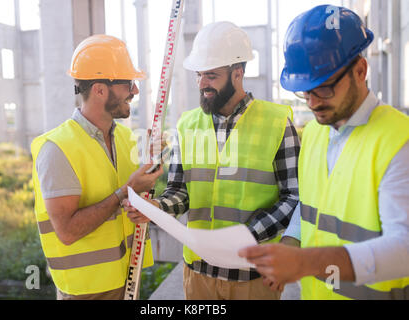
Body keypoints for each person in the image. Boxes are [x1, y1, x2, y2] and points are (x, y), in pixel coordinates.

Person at [239, 5, 409, 300]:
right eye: (305, 91)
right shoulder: (317, 132)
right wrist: (292, 243)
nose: (314, 102)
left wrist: (306, 262)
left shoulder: (398, 140)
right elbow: (310, 206)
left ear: (360, 71)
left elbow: (404, 248)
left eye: (324, 88)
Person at [126, 21, 300, 300]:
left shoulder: (278, 122)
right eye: (199, 75)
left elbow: (294, 197)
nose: (202, 84)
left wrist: (247, 237)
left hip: (252, 275)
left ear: (238, 73)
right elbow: (179, 191)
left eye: (211, 76)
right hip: (198, 275)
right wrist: (156, 207)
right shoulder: (187, 124)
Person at [31, 34, 163, 300]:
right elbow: (67, 232)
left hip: (127, 280)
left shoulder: (126, 139)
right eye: (128, 83)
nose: (135, 91)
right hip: (85, 292)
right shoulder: (57, 149)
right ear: (100, 89)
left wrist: (147, 197)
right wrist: (126, 191)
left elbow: (130, 206)